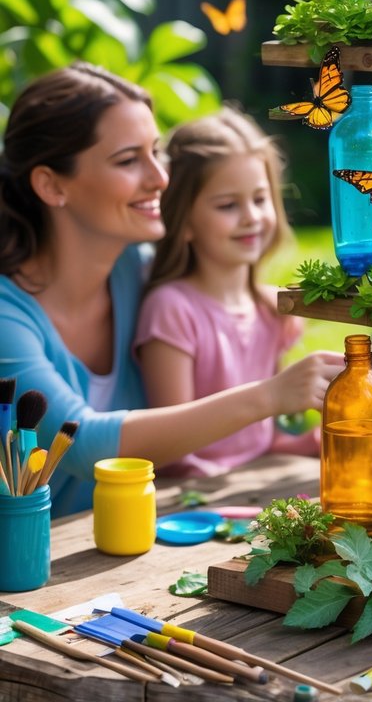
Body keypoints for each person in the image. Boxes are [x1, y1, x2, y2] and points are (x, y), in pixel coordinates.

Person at [0, 63, 341, 516]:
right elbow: (80, 444)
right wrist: (270, 395)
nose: (161, 178)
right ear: (51, 184)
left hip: (133, 544)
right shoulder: (8, 317)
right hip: (31, 570)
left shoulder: (138, 275)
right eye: (127, 160)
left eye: (155, 152)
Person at [135, 107, 321, 475]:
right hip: (187, 503)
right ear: (183, 221)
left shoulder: (271, 310)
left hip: (248, 492)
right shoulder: (171, 310)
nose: (251, 216)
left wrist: (318, 441)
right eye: (228, 205)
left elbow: (258, 444)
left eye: (259, 199)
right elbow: (170, 450)